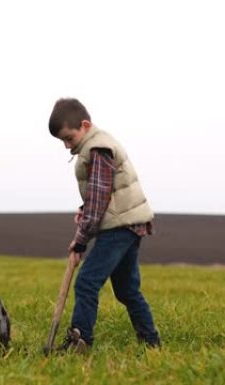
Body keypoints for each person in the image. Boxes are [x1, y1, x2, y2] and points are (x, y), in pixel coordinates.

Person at [48, 98, 161, 352]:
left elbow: (99, 200)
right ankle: (151, 342)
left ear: (85, 125)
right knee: (127, 290)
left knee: (87, 281)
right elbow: (103, 194)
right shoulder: (97, 145)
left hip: (119, 226)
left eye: (69, 138)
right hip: (130, 223)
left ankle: (81, 341)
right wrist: (85, 210)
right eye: (62, 142)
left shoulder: (98, 148)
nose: (67, 146)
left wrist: (80, 241)